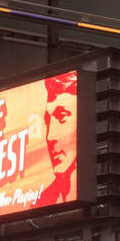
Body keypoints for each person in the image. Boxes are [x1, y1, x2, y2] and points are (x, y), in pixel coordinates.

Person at [40, 73, 78, 203]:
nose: (50, 137)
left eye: (61, 117)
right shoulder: (41, 202)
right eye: (47, 121)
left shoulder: (96, 189)